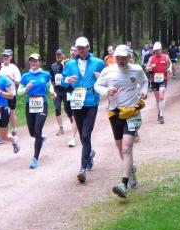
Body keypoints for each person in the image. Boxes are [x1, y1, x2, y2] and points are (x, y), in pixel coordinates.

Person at [94, 44, 147, 198]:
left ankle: (123, 184)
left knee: (126, 148)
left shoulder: (136, 69)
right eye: (118, 58)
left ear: (129, 57)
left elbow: (144, 81)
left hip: (132, 112)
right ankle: (131, 170)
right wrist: (106, 91)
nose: (121, 61)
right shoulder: (108, 71)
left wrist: (143, 91)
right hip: (115, 113)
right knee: (120, 149)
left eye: (123, 58)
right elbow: (97, 85)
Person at [63, 36, 106, 183]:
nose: (81, 50)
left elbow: (107, 79)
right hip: (76, 102)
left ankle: (83, 169)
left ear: (88, 47)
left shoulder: (98, 63)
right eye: (78, 48)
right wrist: (67, 80)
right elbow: (62, 81)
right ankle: (90, 153)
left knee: (86, 135)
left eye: (83, 48)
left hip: (91, 102)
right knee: (82, 136)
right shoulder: (69, 64)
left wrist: (100, 78)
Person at [17, 54, 54, 169]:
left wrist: (52, 92)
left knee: (38, 130)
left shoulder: (45, 74)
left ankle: (35, 158)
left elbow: (50, 86)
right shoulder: (25, 76)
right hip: (30, 104)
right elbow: (19, 92)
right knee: (32, 132)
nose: (33, 63)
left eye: (35, 61)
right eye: (31, 61)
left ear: (39, 62)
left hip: (42, 104)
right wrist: (26, 88)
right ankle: (40, 138)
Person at [50, 48, 79, 145]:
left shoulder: (68, 64)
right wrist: (52, 90)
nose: (57, 56)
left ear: (63, 55)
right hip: (57, 90)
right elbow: (52, 79)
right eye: (56, 55)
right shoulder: (53, 66)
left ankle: (71, 119)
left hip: (66, 90)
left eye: (59, 54)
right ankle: (61, 128)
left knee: (68, 109)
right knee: (57, 108)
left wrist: (63, 65)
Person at [0, 49, 22, 145]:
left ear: (11, 57)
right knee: (2, 113)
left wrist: (10, 78)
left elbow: (18, 82)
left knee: (11, 112)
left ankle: (14, 129)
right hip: (0, 94)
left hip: (11, 94)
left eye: (7, 56)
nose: (5, 57)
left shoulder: (14, 68)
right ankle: (2, 135)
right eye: (4, 56)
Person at [145, 41, 172, 124]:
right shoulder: (151, 58)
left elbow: (170, 63)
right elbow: (146, 69)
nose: (157, 52)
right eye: (155, 50)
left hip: (163, 78)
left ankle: (161, 115)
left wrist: (170, 68)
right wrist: (150, 67)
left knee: (161, 96)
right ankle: (159, 112)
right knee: (157, 99)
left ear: (161, 49)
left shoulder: (166, 57)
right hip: (154, 79)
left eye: (158, 50)